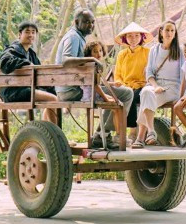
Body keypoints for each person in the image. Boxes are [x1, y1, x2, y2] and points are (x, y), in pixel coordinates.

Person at [55, 8, 133, 149]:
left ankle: (101, 134)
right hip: (72, 90)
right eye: (86, 22)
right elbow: (66, 60)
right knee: (126, 93)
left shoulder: (78, 37)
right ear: (76, 22)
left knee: (118, 93)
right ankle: (103, 134)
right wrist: (92, 59)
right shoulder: (73, 37)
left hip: (74, 87)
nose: (90, 25)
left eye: (92, 22)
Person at [132, 21, 185, 149]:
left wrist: (183, 94)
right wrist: (155, 86)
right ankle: (151, 131)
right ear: (161, 32)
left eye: (172, 31)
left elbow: (185, 73)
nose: (169, 33)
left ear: (175, 33)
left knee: (146, 97)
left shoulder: (180, 51)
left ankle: (140, 137)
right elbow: (149, 72)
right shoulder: (154, 50)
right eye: (167, 30)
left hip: (173, 87)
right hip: (155, 85)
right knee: (146, 92)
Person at [0, 21, 58, 123]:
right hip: (13, 92)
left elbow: (40, 73)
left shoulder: (31, 54)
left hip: (26, 90)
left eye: (33, 32)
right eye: (27, 32)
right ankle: (55, 131)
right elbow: (4, 63)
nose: (31, 35)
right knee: (53, 99)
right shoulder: (12, 49)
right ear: (19, 34)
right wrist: (26, 63)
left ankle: (47, 130)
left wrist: (51, 88)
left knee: (54, 96)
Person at [112, 22, 151, 143]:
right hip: (125, 86)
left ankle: (132, 131)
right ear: (125, 38)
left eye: (136, 36)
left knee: (131, 96)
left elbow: (151, 71)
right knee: (120, 96)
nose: (133, 39)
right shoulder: (121, 54)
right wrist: (119, 83)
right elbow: (117, 74)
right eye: (130, 36)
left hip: (142, 85)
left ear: (141, 37)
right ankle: (115, 132)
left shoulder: (147, 52)